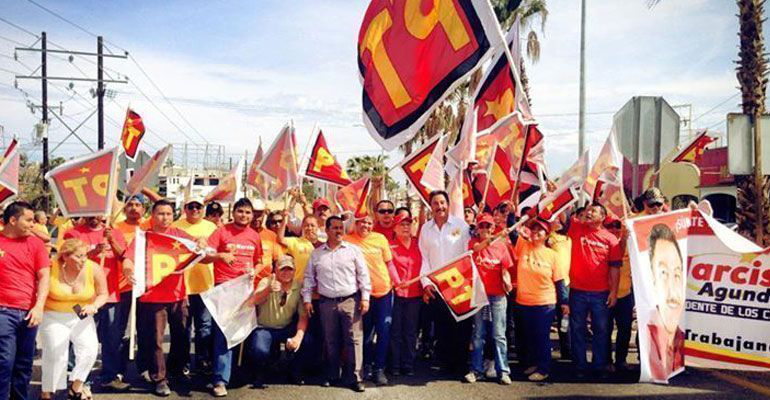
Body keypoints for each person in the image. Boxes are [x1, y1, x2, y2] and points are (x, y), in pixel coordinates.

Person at [123, 200, 200, 396]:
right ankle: (159, 378)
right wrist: (128, 270)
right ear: (152, 216)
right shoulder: (143, 237)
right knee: (156, 340)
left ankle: (177, 371)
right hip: (152, 296)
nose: (165, 218)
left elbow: (199, 251)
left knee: (181, 336)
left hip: (178, 295)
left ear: (173, 216)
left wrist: (203, 244)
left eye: (168, 214)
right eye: (160, 214)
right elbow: (128, 258)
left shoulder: (180, 235)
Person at [302, 216, 371, 392]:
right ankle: (332, 374)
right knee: (330, 340)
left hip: (351, 300)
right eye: (335, 228)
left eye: (341, 228)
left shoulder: (353, 250)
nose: (339, 231)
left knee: (354, 340)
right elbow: (309, 278)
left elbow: (363, 275)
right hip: (326, 302)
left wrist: (365, 298)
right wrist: (307, 299)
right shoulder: (317, 254)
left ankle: (356, 378)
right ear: (326, 230)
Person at [63, 216, 129, 392]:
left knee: (111, 339)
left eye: (99, 213)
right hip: (81, 297)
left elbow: (124, 257)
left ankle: (109, 377)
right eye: (92, 212)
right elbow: (65, 260)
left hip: (110, 296)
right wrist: (92, 252)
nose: (95, 216)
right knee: (78, 339)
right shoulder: (73, 233)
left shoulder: (115, 233)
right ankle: (76, 379)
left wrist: (112, 241)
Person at [207, 198, 264, 397]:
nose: (244, 215)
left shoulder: (254, 235)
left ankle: (239, 374)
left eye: (248, 212)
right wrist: (220, 256)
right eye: (240, 211)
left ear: (252, 215)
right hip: (225, 288)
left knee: (244, 333)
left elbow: (259, 261)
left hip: (246, 290)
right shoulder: (221, 231)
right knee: (224, 334)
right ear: (233, 213)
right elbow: (205, 256)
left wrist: (255, 271)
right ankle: (220, 380)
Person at [40, 239, 108, 400]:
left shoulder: (93, 268)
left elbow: (103, 294)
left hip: (80, 313)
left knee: (90, 350)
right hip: (53, 314)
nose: (83, 260)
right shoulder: (51, 267)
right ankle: (47, 392)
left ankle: (76, 387)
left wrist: (94, 306)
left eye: (85, 255)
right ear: (65, 256)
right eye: (78, 256)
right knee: (56, 354)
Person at [0, 201, 51, 400]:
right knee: (4, 362)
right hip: (3, 312)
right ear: (13, 220)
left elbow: (44, 276)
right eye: (28, 220)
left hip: (29, 313)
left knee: (24, 365)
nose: (33, 224)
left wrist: (39, 307)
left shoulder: (36, 244)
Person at [611, 187, 666, 372]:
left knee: (649, 321)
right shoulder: (632, 222)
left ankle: (645, 360)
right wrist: (624, 236)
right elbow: (619, 253)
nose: (656, 208)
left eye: (659, 204)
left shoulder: (667, 220)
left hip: (654, 282)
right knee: (625, 323)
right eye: (652, 204)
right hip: (629, 281)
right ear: (644, 203)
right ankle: (620, 360)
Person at [418, 190, 472, 376]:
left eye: (442, 202)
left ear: (448, 205)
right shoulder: (426, 229)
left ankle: (462, 365)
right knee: (442, 327)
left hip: (459, 285)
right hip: (437, 286)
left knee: (462, 326)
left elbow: (468, 253)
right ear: (430, 206)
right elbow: (424, 258)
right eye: (435, 203)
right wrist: (426, 283)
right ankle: (446, 364)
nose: (439, 206)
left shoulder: (460, 226)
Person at [344, 214, 400, 386]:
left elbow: (389, 263)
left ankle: (379, 368)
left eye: (369, 223)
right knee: (366, 333)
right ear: (356, 223)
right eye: (362, 222)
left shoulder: (380, 238)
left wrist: (397, 281)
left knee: (384, 331)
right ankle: (367, 366)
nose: (366, 226)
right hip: (362, 295)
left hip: (384, 292)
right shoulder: (347, 240)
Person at [568, 203, 622, 377]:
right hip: (577, 291)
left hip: (601, 293)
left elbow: (615, 268)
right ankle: (580, 366)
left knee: (601, 330)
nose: (589, 213)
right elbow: (562, 214)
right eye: (587, 210)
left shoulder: (611, 239)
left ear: (603, 217)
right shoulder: (576, 227)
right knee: (577, 330)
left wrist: (614, 292)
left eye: (593, 211)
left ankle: (598, 366)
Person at [515, 219, 569, 381]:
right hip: (524, 301)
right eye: (534, 229)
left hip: (545, 303)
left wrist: (564, 302)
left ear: (547, 235)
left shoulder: (553, 255)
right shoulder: (523, 246)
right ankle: (534, 363)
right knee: (529, 337)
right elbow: (513, 230)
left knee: (542, 337)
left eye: (540, 230)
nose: (536, 232)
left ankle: (544, 369)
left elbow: (560, 280)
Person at [463, 213, 514, 385]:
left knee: (499, 334)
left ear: (493, 227)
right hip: (479, 295)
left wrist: (507, 280)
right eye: (482, 226)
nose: (485, 229)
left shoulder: (501, 246)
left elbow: (506, 268)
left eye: (488, 226)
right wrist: (495, 237)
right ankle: (476, 370)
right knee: (478, 334)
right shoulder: (473, 243)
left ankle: (503, 371)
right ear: (477, 228)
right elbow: (477, 249)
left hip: (498, 295)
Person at [247, 255, 311, 387]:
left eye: (290, 269)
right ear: (275, 270)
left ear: (294, 270)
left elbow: (303, 316)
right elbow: (252, 302)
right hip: (265, 328)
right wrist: (268, 290)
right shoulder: (266, 281)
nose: (286, 273)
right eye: (282, 269)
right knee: (260, 350)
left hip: (286, 327)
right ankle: (259, 374)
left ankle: (294, 371)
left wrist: (298, 338)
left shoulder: (299, 286)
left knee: (307, 340)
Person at [172, 196, 218, 376]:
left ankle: (202, 360)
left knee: (204, 327)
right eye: (190, 206)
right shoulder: (175, 226)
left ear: (203, 208)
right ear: (185, 208)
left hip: (206, 285)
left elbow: (216, 251)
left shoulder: (211, 227)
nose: (194, 210)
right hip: (181, 286)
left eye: (198, 206)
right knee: (183, 328)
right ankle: (182, 362)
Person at [646, 223, 685, 381]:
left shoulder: (684, 340)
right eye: (663, 273)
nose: (672, 290)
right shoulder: (647, 339)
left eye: (676, 275)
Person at [388, 209, 422, 377]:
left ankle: (408, 364)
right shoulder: (390, 246)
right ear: (395, 228)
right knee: (395, 330)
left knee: (410, 331)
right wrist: (396, 281)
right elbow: (389, 265)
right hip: (397, 294)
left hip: (415, 294)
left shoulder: (418, 243)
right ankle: (394, 364)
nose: (406, 227)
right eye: (402, 224)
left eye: (408, 224)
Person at [547, 218, 572, 360]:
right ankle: (545, 353)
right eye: (553, 219)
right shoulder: (547, 238)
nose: (556, 220)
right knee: (547, 319)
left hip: (565, 282)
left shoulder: (568, 238)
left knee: (565, 318)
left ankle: (567, 350)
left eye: (558, 219)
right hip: (548, 283)